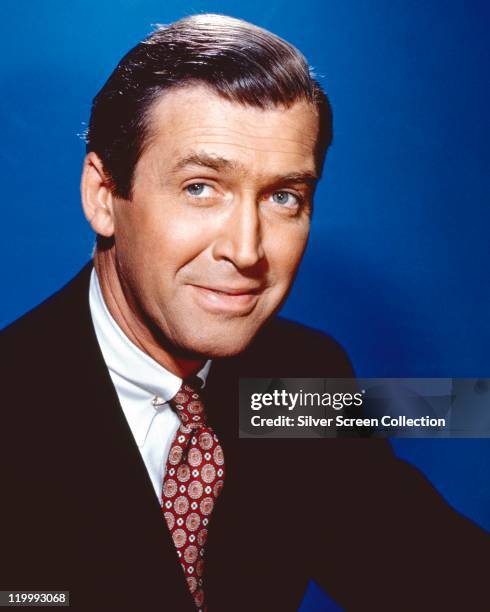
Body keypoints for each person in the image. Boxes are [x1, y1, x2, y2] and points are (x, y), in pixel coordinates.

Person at [1, 14, 487, 612]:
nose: (247, 249)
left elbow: (435, 572)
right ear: (104, 196)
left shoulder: (302, 375)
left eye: (283, 197)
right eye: (200, 187)